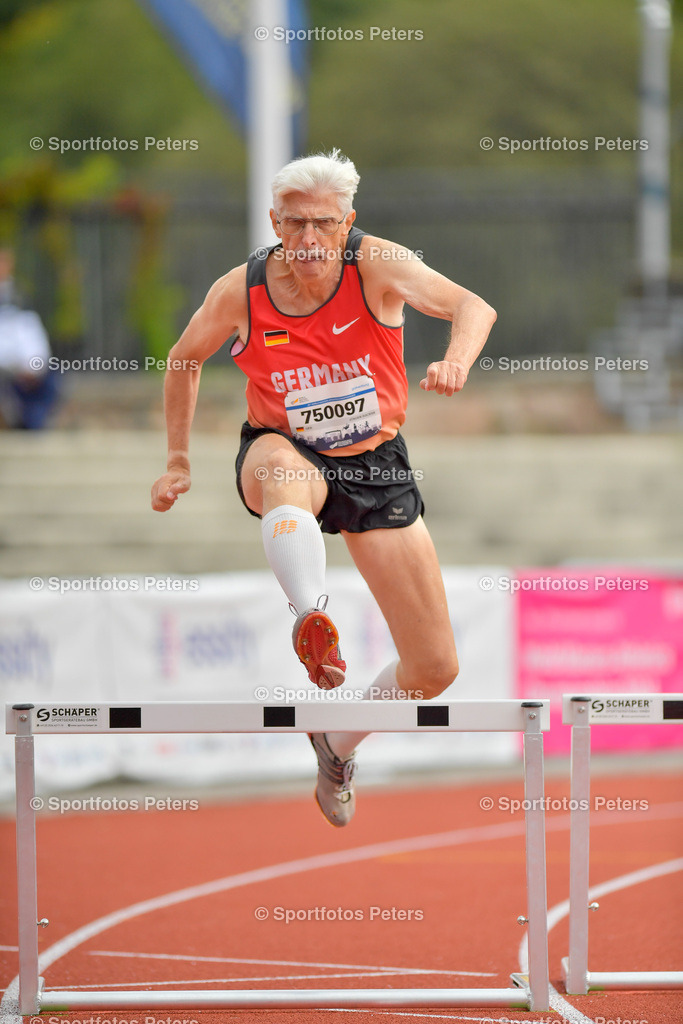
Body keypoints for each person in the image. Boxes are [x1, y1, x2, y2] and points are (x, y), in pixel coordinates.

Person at [151, 150, 496, 827]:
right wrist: (177, 459)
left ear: (348, 223)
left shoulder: (378, 264)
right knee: (283, 478)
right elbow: (184, 358)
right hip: (285, 447)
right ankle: (313, 618)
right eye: (296, 225)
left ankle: (335, 746)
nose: (309, 242)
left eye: (324, 226)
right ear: (275, 222)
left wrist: (455, 360)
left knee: (432, 670)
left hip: (373, 463)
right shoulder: (240, 289)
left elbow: (471, 306)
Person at [0, 247, 59, 430]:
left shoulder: (18, 295)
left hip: (22, 369)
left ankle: (32, 421)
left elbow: (30, 333)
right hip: (6, 369)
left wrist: (32, 365)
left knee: (53, 379)